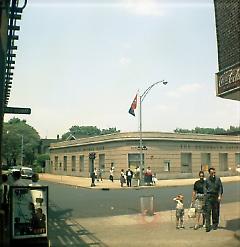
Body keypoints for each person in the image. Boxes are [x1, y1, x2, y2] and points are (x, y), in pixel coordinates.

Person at [204, 167, 223, 232]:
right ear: (209, 173)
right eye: (212, 173)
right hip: (209, 197)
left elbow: (220, 188)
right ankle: (208, 226)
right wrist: (205, 195)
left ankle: (215, 224)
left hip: (215, 196)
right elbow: (205, 188)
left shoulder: (218, 179)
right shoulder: (207, 180)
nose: (213, 174)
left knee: (215, 212)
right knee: (208, 212)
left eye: (214, 172)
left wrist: (220, 196)